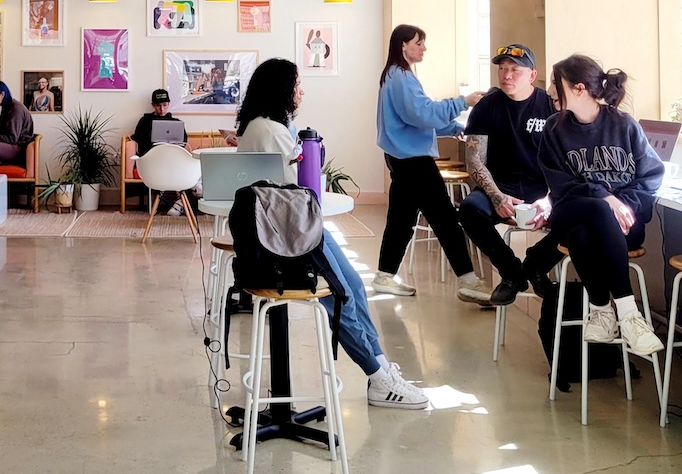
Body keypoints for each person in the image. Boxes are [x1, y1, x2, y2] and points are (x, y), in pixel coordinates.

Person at [236, 57, 429, 409]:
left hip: (292, 228)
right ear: (282, 90)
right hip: (289, 237)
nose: (301, 92)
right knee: (341, 295)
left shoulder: (260, 127)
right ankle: (376, 373)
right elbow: (295, 189)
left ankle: (381, 368)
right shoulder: (269, 131)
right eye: (296, 86)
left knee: (353, 284)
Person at [535, 54, 665, 356]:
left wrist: (624, 205)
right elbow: (563, 188)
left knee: (585, 234)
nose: (551, 91)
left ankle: (602, 310)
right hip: (570, 211)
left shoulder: (624, 126)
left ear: (579, 88)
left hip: (621, 227)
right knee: (595, 210)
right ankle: (629, 313)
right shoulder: (554, 129)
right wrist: (607, 198)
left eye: (557, 84)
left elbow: (652, 177)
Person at [375, 24, 488, 303]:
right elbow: (423, 115)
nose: (423, 48)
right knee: (446, 219)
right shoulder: (401, 78)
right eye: (418, 43)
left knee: (401, 221)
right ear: (403, 45)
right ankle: (468, 280)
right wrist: (464, 101)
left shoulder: (395, 76)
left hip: (402, 159)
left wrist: (451, 128)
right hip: (414, 162)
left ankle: (384, 275)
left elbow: (415, 120)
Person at [455, 44, 563, 306]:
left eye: (515, 69)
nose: (507, 75)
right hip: (499, 185)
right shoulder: (486, 106)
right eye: (502, 69)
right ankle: (512, 273)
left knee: (576, 214)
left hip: (542, 188)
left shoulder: (551, 105)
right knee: (469, 210)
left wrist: (548, 198)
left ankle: (536, 266)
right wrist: (496, 196)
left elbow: (563, 161)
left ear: (532, 74)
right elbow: (475, 161)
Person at [131, 89, 192, 216]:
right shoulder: (144, 122)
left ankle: (179, 202)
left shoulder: (176, 123)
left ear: (168, 104)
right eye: (158, 105)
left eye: (165, 105)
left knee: (182, 164)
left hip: (172, 160)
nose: (162, 109)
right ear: (153, 105)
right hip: (152, 160)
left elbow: (184, 143)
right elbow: (138, 142)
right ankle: (180, 202)